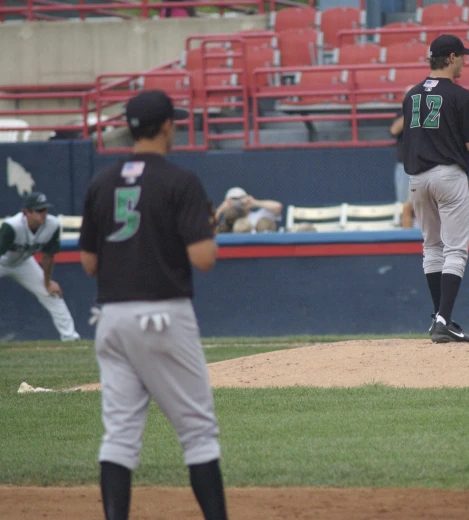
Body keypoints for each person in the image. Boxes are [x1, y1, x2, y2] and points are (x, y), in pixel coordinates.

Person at [78, 90, 228, 520]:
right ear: (166, 126)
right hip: (163, 314)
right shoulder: (180, 181)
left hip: (111, 318)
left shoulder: (101, 182)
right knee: (198, 434)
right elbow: (203, 258)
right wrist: (206, 228)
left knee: (120, 436)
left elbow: (88, 263)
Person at [402, 34, 469, 343]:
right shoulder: (460, 96)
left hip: (417, 179)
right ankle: (443, 319)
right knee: (454, 249)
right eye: (462, 55)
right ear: (450, 57)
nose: (465, 60)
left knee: (432, 246)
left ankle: (438, 317)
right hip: (448, 175)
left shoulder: (411, 95)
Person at [0, 192, 80, 341]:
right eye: (38, 210)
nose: (43, 214)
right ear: (27, 212)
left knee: (51, 293)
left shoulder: (53, 224)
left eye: (45, 210)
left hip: (23, 262)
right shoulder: (12, 226)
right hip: (2, 262)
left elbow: (48, 256)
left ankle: (70, 338)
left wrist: (47, 282)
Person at [215, 186, 282, 233]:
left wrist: (255, 203)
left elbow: (278, 207)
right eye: (234, 201)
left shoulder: (258, 216)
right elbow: (207, 231)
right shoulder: (225, 224)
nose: (238, 204)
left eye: (240, 199)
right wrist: (220, 210)